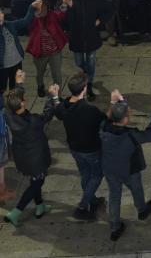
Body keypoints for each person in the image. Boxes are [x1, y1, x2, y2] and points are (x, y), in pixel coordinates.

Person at [101, 91, 151, 240]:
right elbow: (149, 135)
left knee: (114, 196)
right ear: (126, 119)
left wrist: (116, 103)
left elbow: (110, 116)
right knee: (136, 188)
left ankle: (115, 227)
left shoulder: (103, 127)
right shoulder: (130, 135)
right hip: (129, 169)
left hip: (110, 169)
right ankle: (141, 209)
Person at [51, 73, 107, 220]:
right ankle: (82, 206)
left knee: (85, 174)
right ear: (84, 89)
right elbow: (106, 120)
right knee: (96, 175)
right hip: (91, 149)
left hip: (75, 148)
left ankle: (92, 199)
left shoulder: (64, 106)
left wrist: (55, 96)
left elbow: (57, 109)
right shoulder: (90, 110)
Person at [2, 85, 55, 227]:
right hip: (36, 157)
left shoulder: (8, 114)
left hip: (22, 156)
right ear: (23, 103)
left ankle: (40, 206)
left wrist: (19, 85)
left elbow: (11, 101)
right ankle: (16, 212)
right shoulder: (33, 121)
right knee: (38, 182)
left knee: (34, 180)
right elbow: (47, 115)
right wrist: (51, 97)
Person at [61, 0, 104, 101]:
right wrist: (69, 7)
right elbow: (68, 21)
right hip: (77, 38)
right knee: (79, 62)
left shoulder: (93, 0)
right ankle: (87, 74)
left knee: (91, 63)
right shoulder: (72, 2)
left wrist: (99, 20)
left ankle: (89, 86)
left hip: (91, 37)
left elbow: (105, 10)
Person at [26, 0, 68, 97]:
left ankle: (58, 95)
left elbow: (61, 15)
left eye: (42, 4)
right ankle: (40, 86)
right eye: (38, 4)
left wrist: (64, 5)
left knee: (57, 75)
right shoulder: (32, 17)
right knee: (40, 73)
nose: (40, 6)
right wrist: (33, 11)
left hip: (54, 53)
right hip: (40, 54)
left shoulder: (51, 14)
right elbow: (27, 24)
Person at [0, 0, 41, 98]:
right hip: (3, 66)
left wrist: (31, 7)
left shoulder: (9, 25)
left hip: (17, 62)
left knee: (15, 88)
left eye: (0, 13)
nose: (0, 15)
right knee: (1, 89)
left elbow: (25, 21)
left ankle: (14, 106)